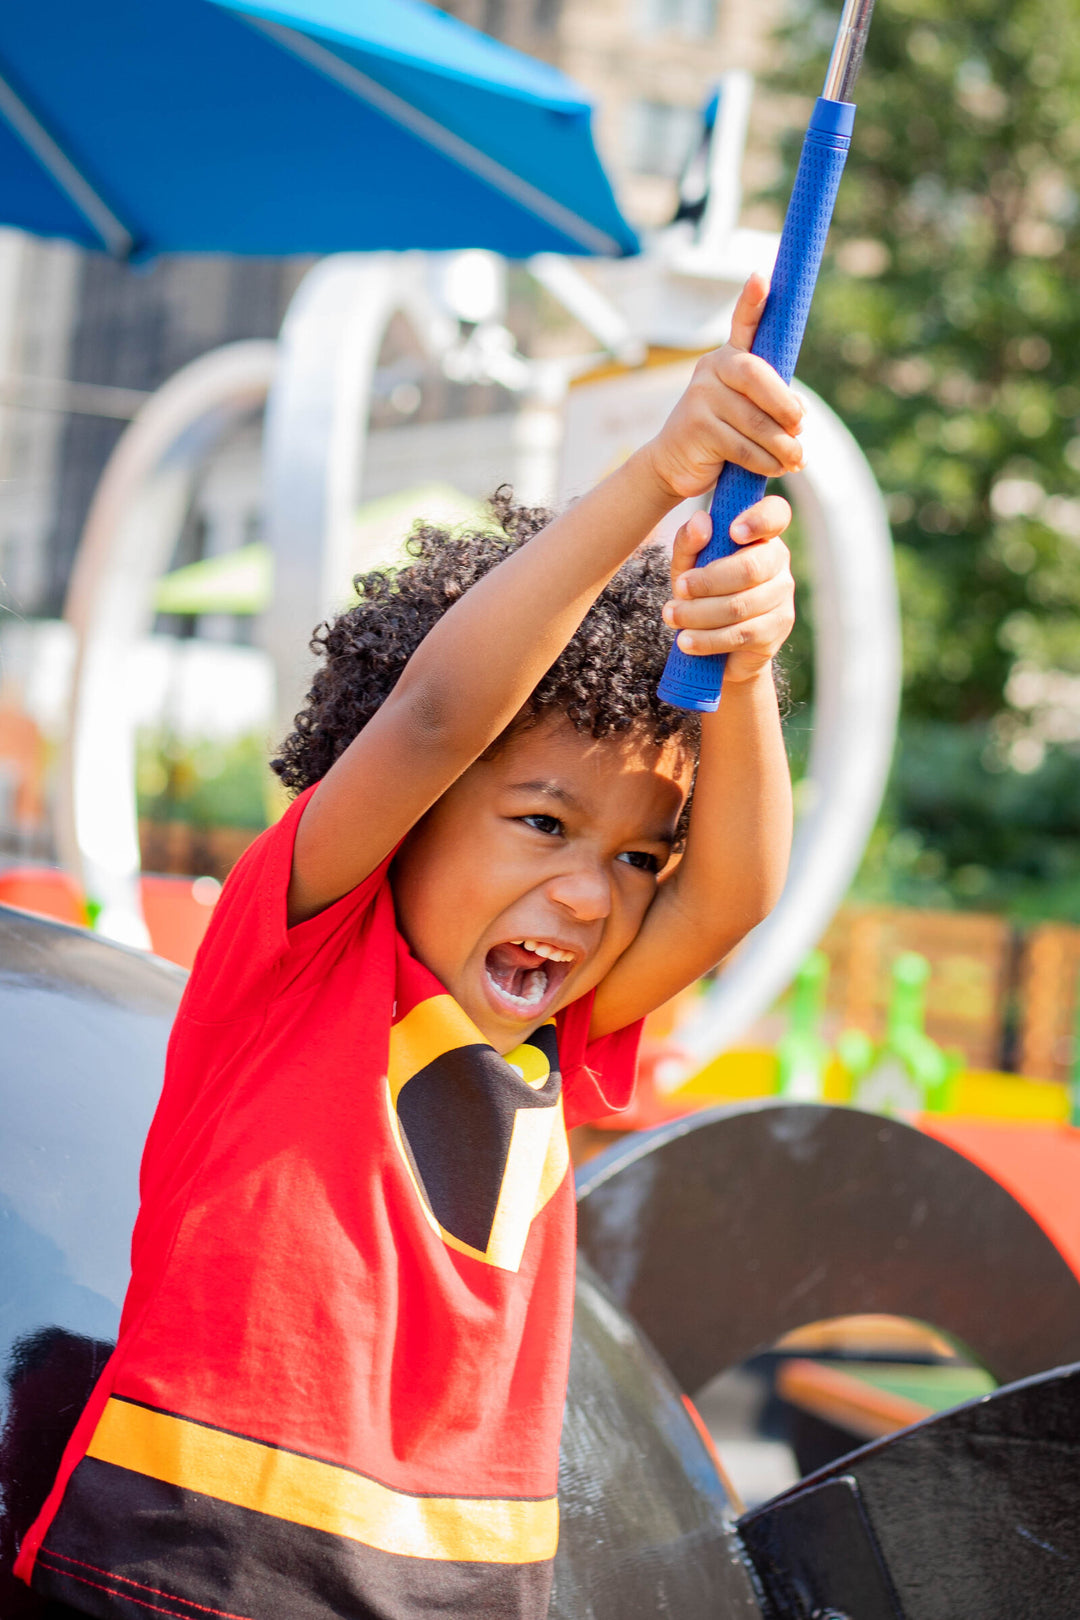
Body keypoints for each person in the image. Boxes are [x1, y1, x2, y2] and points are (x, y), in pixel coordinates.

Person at [17, 276, 801, 1620]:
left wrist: (744, 656)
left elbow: (730, 895)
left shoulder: (553, 1031)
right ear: (409, 816)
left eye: (630, 856)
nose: (588, 895)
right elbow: (441, 714)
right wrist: (660, 473)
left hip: (462, 1595)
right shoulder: (304, 954)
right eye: (544, 822)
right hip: (197, 1568)